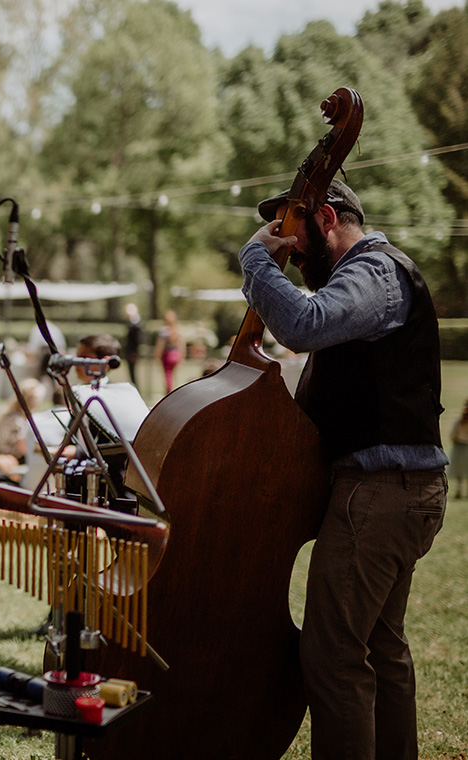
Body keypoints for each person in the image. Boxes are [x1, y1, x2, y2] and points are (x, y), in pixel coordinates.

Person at [240, 178, 447, 760]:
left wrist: (256, 259)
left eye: (293, 230)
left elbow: (303, 325)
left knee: (333, 656)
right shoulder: (367, 278)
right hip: (398, 492)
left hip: (378, 496)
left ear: (326, 216)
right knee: (381, 650)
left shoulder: (372, 272)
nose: (289, 246)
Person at [154, 309, 182, 393]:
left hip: (167, 355)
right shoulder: (177, 330)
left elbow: (160, 345)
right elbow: (181, 344)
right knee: (172, 375)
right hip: (175, 354)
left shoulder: (164, 331)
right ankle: (173, 390)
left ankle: (169, 392)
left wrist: (157, 355)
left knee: (167, 375)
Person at [448, 401, 468, 499]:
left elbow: (452, 436)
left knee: (459, 472)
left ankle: (459, 490)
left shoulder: (459, 421)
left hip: (459, 447)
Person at [123, 302, 143, 391]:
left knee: (133, 373)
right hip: (131, 351)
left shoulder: (135, 324)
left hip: (132, 352)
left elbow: (136, 340)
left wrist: (134, 352)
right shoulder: (132, 323)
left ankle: (135, 388)